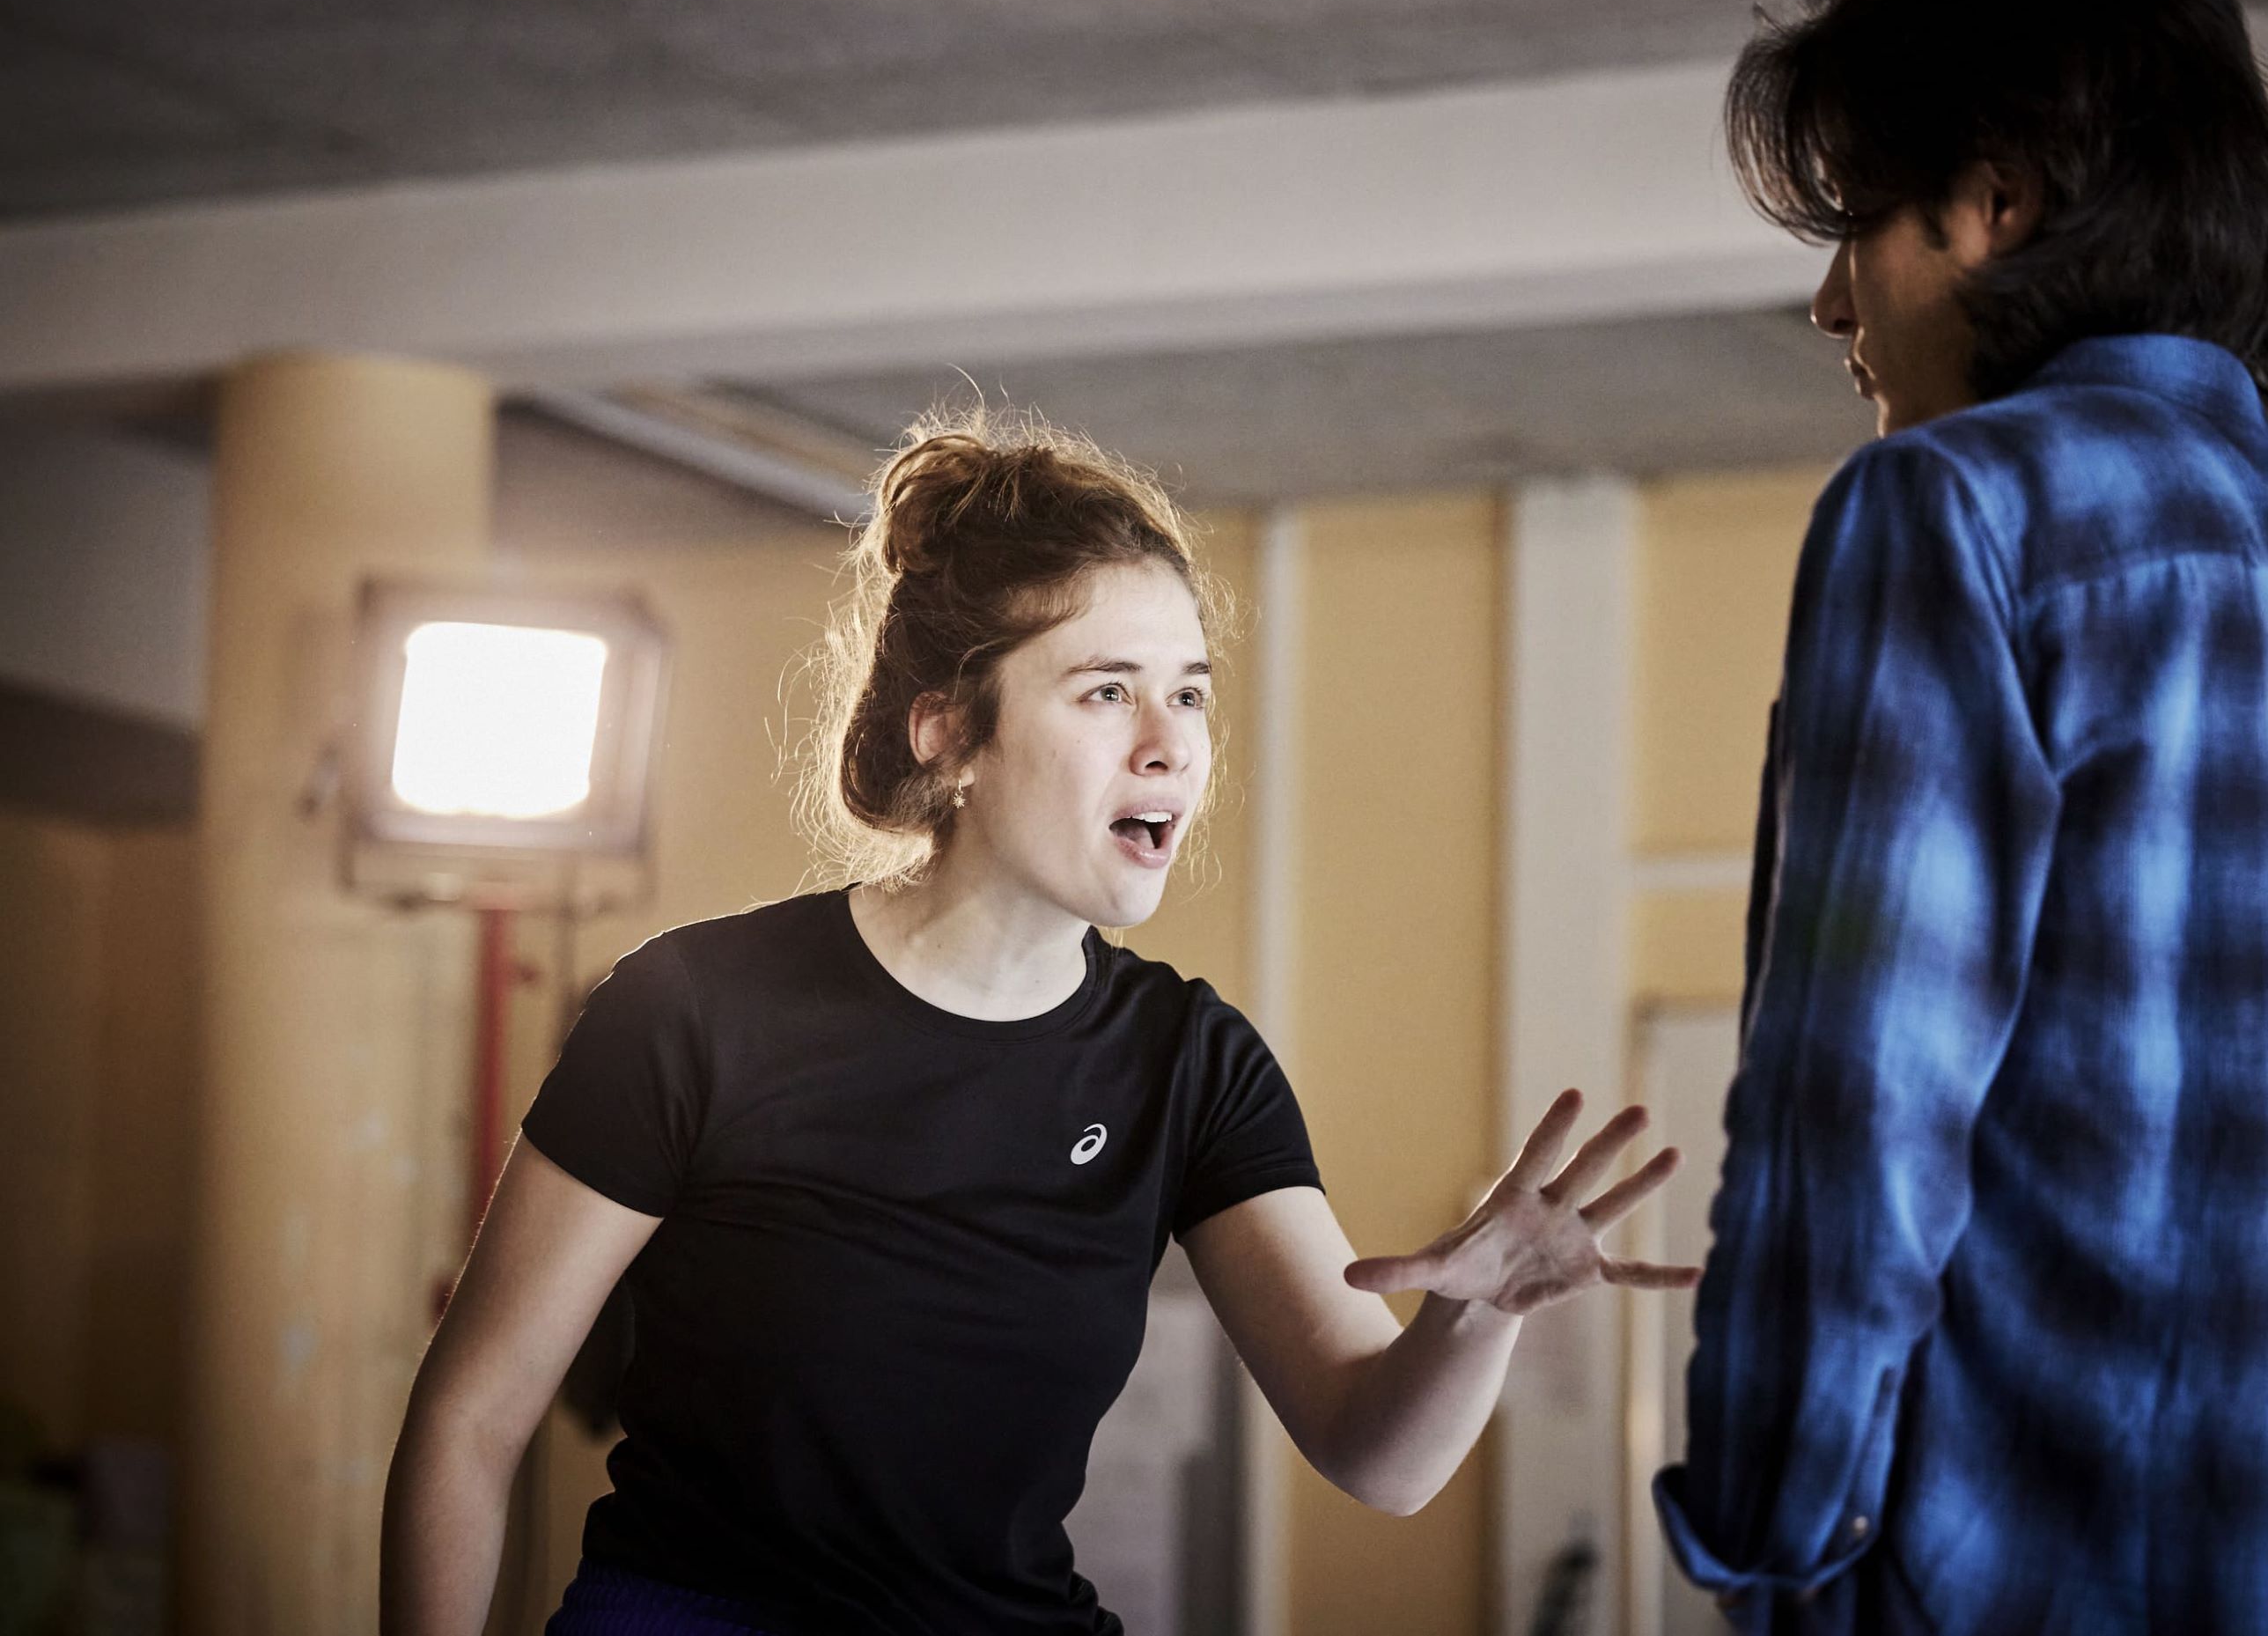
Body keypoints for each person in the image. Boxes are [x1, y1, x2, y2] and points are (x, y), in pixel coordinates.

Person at [379, 411, 1701, 1635]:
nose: (1170, 743)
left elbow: (1377, 1452)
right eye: (1106, 689)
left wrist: (1480, 1316)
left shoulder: (1190, 1064)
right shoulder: (694, 1009)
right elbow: (470, 1419)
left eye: (1190, 691)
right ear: (950, 733)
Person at [1654, 0, 2268, 1634]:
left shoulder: (1951, 512)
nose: (1835, 300)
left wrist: (1768, 1540)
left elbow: (1854, 1111)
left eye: (1860, 224)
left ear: (1998, 202)